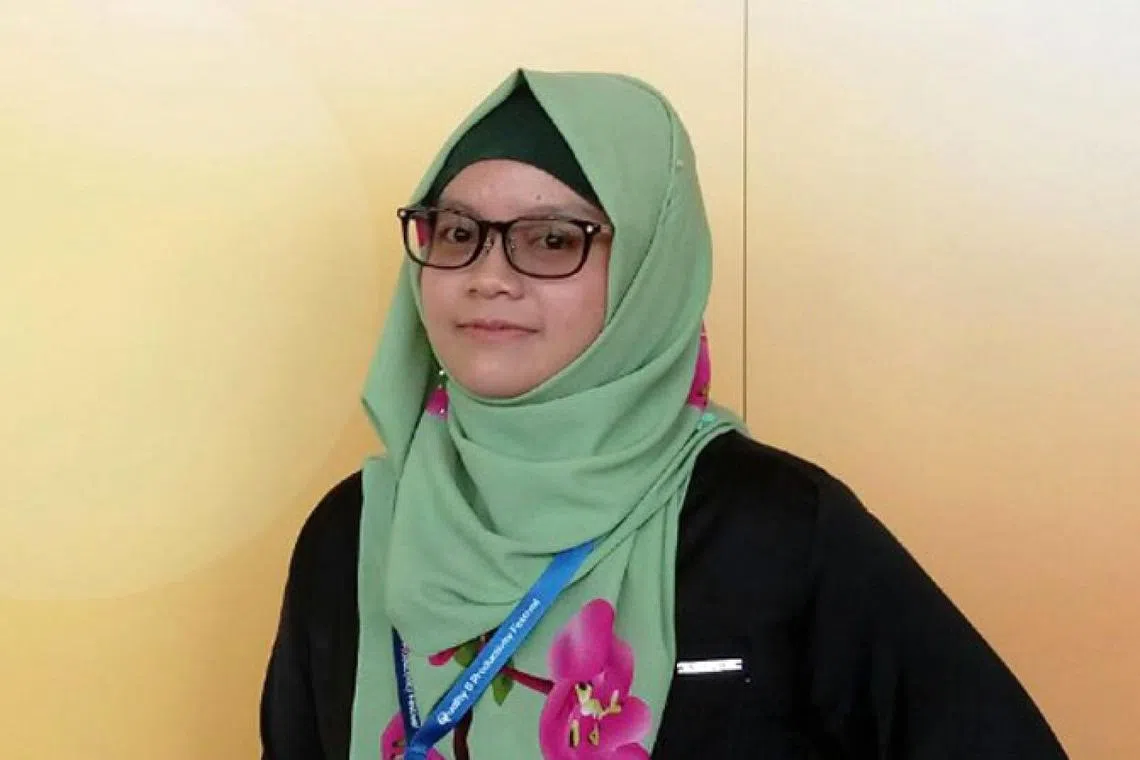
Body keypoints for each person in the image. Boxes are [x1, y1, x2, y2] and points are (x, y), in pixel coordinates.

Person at [260, 68, 1067, 760]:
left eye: (551, 240)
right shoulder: (354, 533)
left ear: (649, 270)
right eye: (459, 232)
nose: (488, 276)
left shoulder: (774, 529)